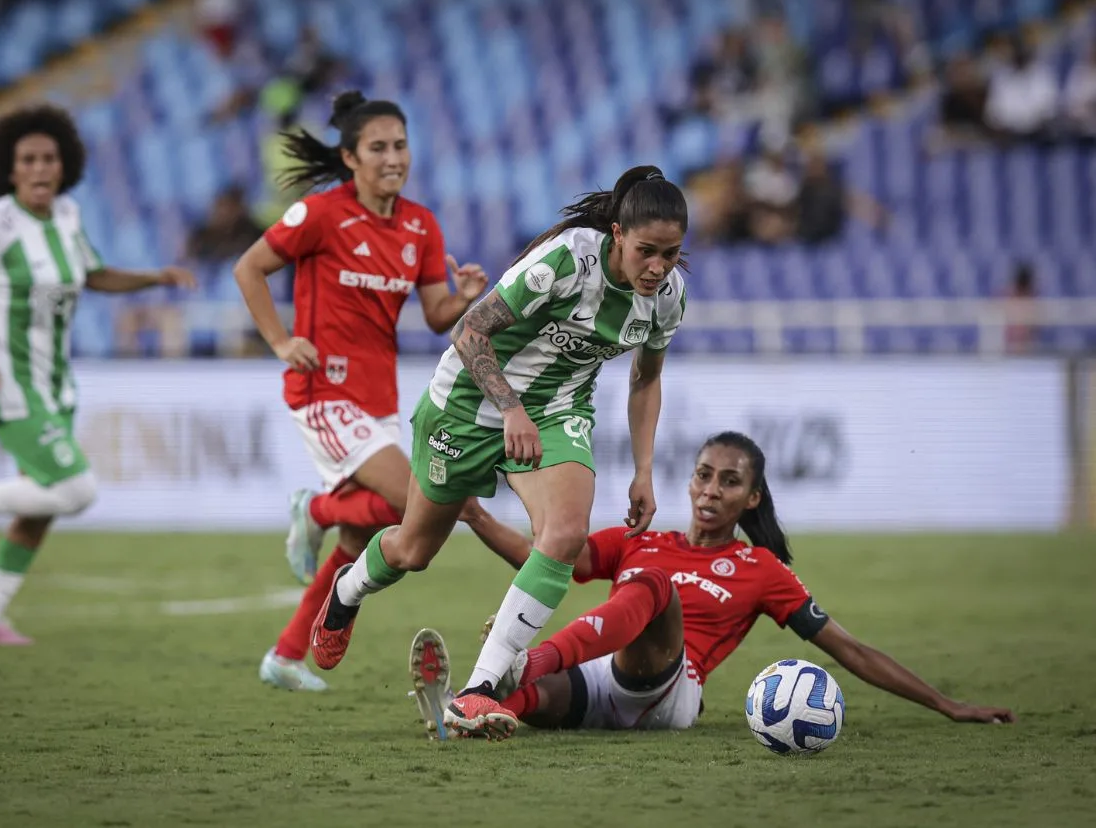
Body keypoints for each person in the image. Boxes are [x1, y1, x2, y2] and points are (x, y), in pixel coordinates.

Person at [311, 164, 691, 738]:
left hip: (558, 411)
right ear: (617, 234)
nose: (658, 267)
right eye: (647, 252)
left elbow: (646, 379)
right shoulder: (566, 262)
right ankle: (345, 591)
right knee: (413, 550)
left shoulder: (667, 300)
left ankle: (478, 689)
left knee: (564, 535)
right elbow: (469, 333)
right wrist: (510, 408)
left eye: (670, 254)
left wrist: (643, 470)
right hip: (467, 405)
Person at [409, 431, 1015, 738]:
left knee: (654, 587)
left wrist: (946, 704)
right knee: (532, 703)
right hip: (605, 678)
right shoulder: (645, 537)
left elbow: (848, 648)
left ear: (750, 498)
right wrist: (477, 515)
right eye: (703, 476)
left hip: (672, 695)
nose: (709, 491)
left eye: (728, 482)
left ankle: (522, 663)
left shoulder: (762, 571)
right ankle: (467, 712)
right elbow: (545, 557)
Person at [233, 90, 489, 691]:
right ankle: (313, 508)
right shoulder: (322, 214)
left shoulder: (420, 224)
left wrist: (465, 294)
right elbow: (249, 267)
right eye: (378, 147)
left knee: (359, 538)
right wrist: (279, 341)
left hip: (380, 402)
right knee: (415, 503)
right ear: (350, 157)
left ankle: (286, 654)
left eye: (400, 145)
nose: (393, 157)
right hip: (323, 390)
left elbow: (434, 316)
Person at [0, 104, 195, 646]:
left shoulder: (66, 215)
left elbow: (94, 275)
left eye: (50, 159)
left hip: (55, 386)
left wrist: (153, 277)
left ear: (65, 166)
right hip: (9, 385)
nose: (41, 169)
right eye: (29, 160)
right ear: (9, 169)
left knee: (38, 508)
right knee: (75, 491)